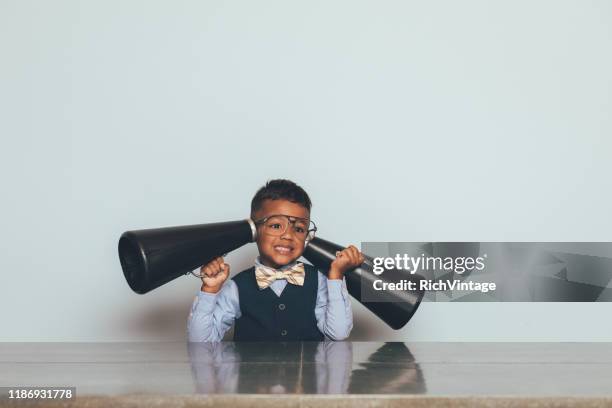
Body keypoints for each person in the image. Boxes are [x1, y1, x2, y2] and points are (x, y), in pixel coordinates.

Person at [187, 179, 364, 341]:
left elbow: (338, 334)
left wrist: (335, 276)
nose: (288, 235)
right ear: (254, 231)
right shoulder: (237, 287)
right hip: (251, 376)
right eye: (276, 225)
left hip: (309, 376)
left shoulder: (319, 280)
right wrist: (209, 290)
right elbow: (201, 342)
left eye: (299, 229)